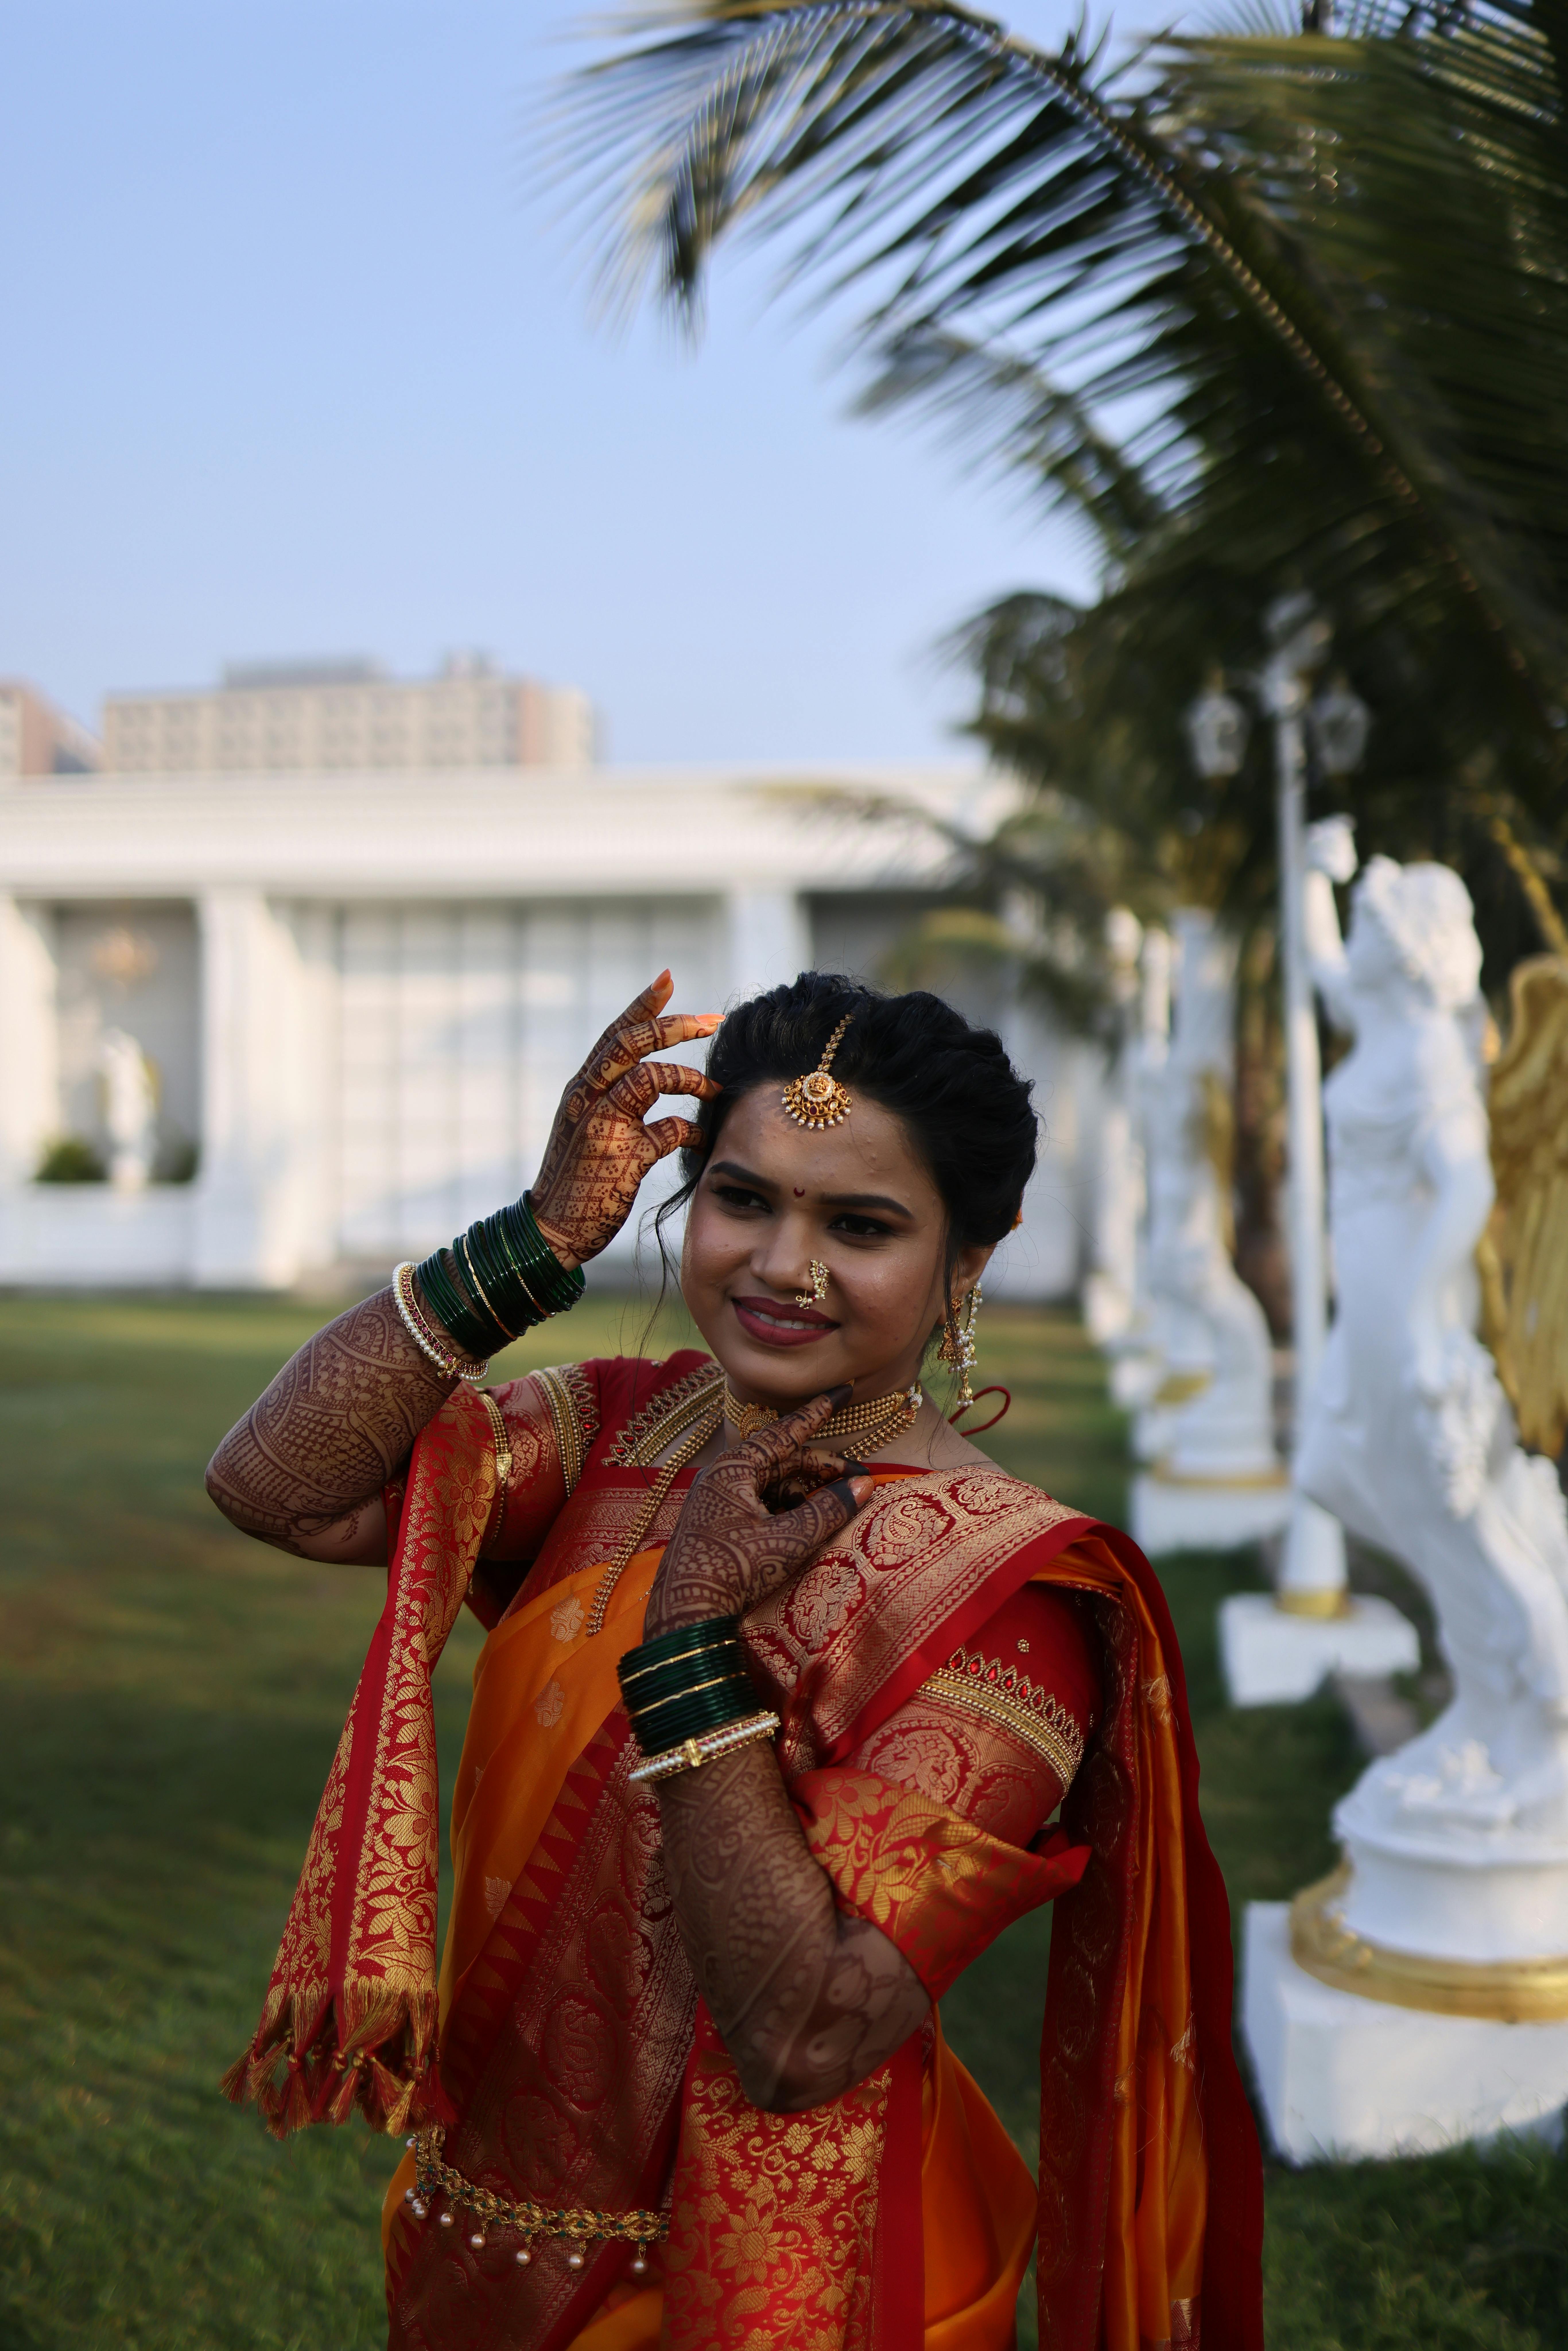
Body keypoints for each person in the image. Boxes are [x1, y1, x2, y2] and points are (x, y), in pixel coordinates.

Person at [210, 970, 1262, 2351]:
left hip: (780, 2283)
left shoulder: (1007, 1601)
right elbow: (283, 1488)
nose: (782, 1263)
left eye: (863, 1224)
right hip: (489, 2216)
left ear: (969, 1262)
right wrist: (531, 1242)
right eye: (744, 1196)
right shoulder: (621, 1431)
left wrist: (695, 1643)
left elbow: (808, 2031)